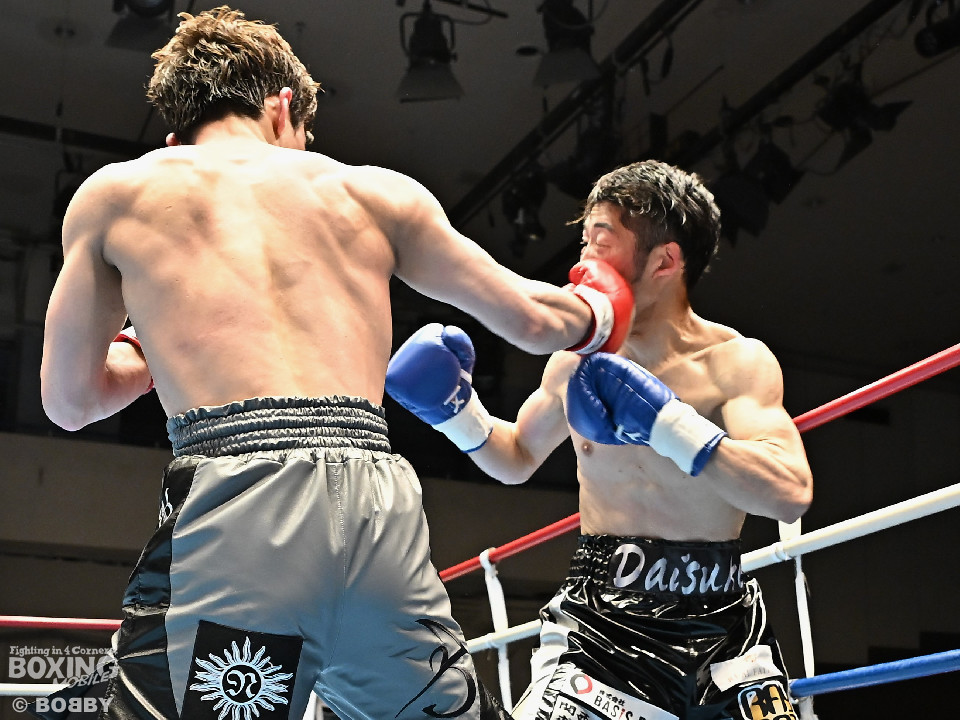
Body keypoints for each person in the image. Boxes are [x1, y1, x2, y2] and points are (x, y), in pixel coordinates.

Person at [36, 6, 637, 720]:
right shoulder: (376, 192)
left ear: (175, 136)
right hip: (380, 510)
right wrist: (603, 309)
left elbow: (70, 401)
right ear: (282, 106)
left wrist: (149, 347)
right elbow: (537, 322)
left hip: (241, 513)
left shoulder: (121, 193)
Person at [386, 160, 814, 720]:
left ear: (665, 261)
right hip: (603, 626)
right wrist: (457, 414)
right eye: (584, 241)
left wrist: (668, 424)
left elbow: (790, 492)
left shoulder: (735, 363)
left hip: (725, 630)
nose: (582, 262)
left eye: (602, 242)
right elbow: (516, 457)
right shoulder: (575, 362)